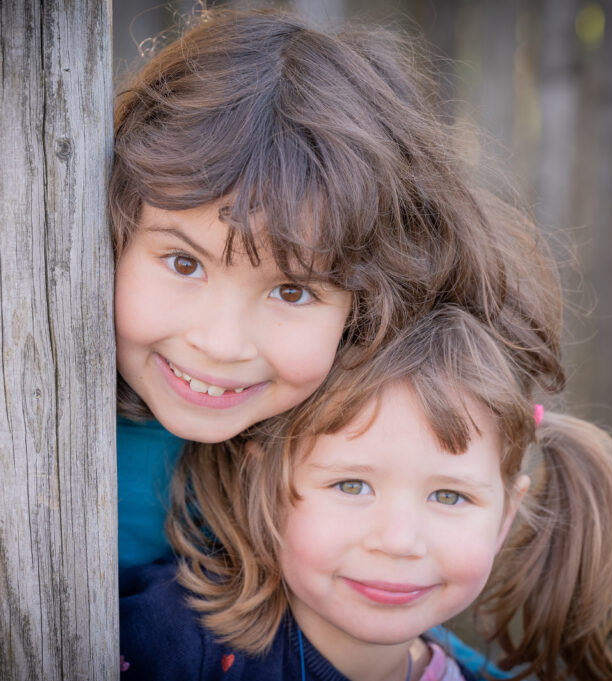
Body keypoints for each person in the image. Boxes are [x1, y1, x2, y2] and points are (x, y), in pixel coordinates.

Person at [110, 7, 562, 572]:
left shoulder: (362, 459)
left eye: (293, 292)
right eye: (183, 262)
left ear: (368, 306)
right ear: (114, 234)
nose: (222, 343)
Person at [119, 307, 612, 681]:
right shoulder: (167, 646)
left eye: (449, 497)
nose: (398, 541)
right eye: (352, 485)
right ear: (264, 487)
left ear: (506, 514)